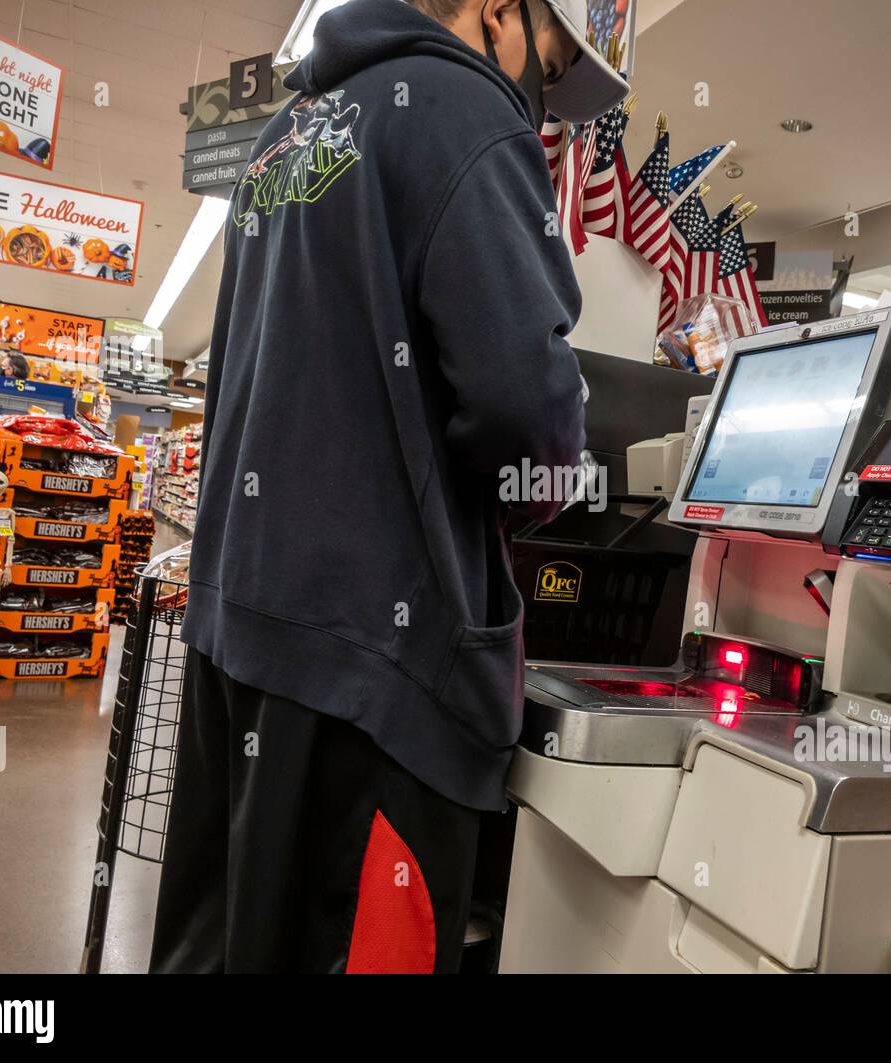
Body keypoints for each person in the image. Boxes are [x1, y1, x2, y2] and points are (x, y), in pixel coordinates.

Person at [150, 0, 627, 973]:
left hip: (239, 633)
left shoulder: (283, 135)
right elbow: (521, 407)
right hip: (378, 677)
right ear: (499, 11)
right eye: (549, 61)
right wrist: (550, 488)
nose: (542, 102)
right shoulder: (466, 110)